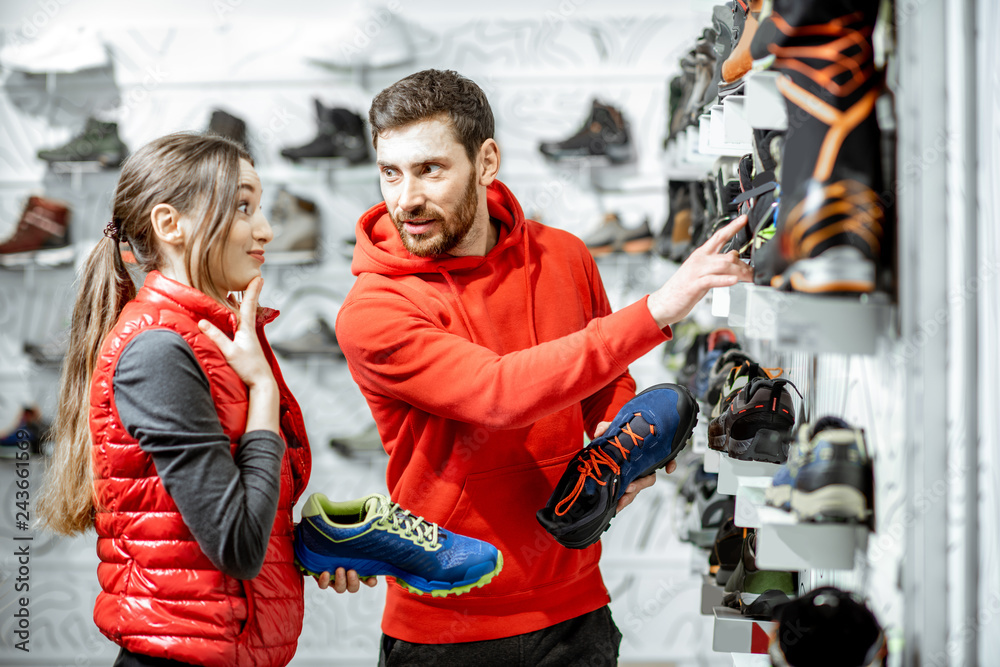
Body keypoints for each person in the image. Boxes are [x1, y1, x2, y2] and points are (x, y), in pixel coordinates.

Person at [334, 69, 753, 665]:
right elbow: (495, 393)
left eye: (430, 169)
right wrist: (658, 310)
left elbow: (604, 388)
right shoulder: (374, 308)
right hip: (445, 626)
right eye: (390, 172)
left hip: (574, 611)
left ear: (486, 161)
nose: (406, 198)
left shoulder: (564, 256)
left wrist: (625, 445)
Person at [35, 132, 369, 667]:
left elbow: (222, 525)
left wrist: (306, 547)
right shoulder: (158, 352)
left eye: (259, 208)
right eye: (242, 207)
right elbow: (236, 545)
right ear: (171, 225)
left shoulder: (203, 337)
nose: (265, 229)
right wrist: (261, 392)